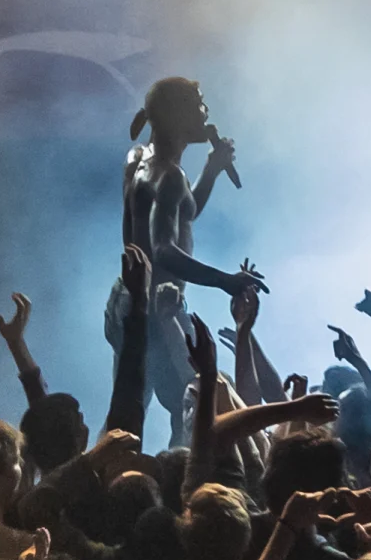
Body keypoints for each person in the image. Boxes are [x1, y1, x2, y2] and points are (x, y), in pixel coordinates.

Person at [111, 77, 262, 418]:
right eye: (199, 104)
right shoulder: (171, 175)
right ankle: (188, 469)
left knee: (129, 404)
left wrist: (211, 168)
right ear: (179, 116)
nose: (206, 112)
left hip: (128, 299)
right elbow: (164, 249)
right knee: (200, 408)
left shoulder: (137, 156)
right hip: (159, 307)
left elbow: (181, 213)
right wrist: (226, 280)